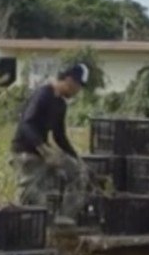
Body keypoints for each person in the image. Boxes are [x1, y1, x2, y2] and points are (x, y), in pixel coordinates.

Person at [11, 62, 90, 225]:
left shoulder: (60, 104)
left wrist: (76, 158)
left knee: (77, 173)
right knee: (35, 196)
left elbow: (59, 136)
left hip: (42, 153)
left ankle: (65, 217)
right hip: (26, 152)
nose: (77, 92)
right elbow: (27, 123)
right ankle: (22, 222)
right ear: (69, 80)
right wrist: (42, 148)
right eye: (77, 86)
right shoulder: (43, 94)